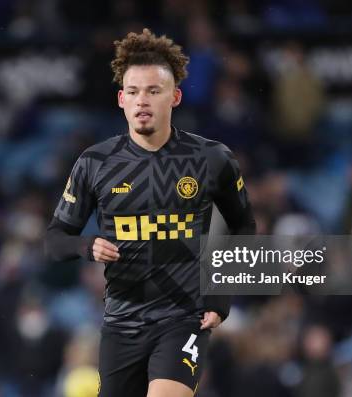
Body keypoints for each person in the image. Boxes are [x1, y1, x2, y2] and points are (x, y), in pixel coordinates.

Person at [44, 29, 256, 397]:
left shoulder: (212, 159)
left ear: (174, 97)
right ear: (121, 100)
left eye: (153, 91)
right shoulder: (94, 163)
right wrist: (88, 246)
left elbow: (243, 227)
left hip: (183, 319)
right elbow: (54, 240)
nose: (142, 100)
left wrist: (220, 298)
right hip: (121, 324)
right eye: (133, 91)